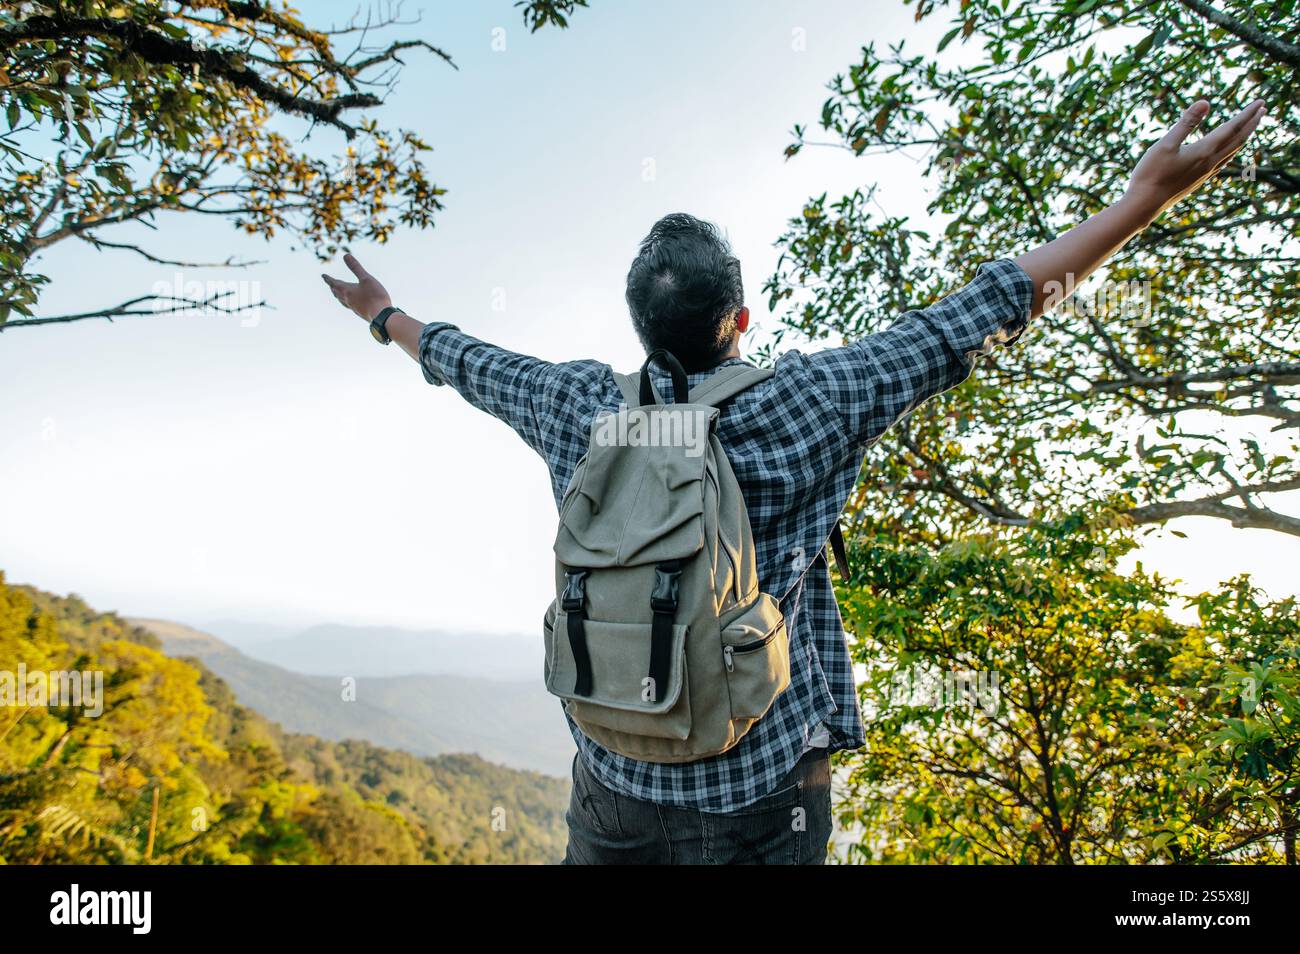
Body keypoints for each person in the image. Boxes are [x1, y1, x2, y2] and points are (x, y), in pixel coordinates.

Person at [323, 99, 1266, 864]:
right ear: (741, 317)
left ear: (638, 328)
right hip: (760, 789)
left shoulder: (577, 407)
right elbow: (986, 309)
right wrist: (1142, 198)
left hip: (613, 783)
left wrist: (383, 313)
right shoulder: (809, 400)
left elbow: (460, 358)